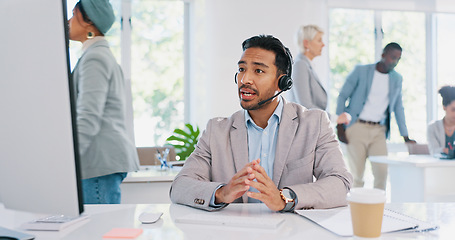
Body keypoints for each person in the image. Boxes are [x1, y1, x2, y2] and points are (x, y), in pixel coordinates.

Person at [170, 35, 352, 212]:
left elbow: (340, 183)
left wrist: (285, 198)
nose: (245, 79)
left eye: (258, 71)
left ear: (282, 82)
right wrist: (221, 193)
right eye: (241, 69)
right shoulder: (216, 131)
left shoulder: (314, 124)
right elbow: (180, 186)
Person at [68, 0, 139, 204]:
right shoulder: (97, 55)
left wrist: (68, 162)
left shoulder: (95, 58)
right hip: (100, 164)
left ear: (89, 20)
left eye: (73, 15)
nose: (68, 21)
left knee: (97, 233)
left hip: (98, 163)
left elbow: (88, 117)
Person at [336, 42, 415, 190]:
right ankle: (354, 212)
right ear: (383, 55)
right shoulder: (361, 71)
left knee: (382, 173)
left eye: (398, 59)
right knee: (357, 176)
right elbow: (342, 96)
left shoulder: (396, 79)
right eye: (393, 57)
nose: (395, 62)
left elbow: (398, 107)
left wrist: (405, 135)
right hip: (356, 127)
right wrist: (339, 125)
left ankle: (379, 212)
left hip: (379, 131)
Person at [287, 25, 327, 110]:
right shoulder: (300, 65)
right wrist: (334, 118)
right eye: (319, 40)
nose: (323, 45)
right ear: (306, 43)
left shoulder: (307, 64)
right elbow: (305, 106)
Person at [427, 86, 455, 156]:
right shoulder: (433, 127)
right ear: (444, 107)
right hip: (439, 166)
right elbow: (434, 151)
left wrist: (447, 151)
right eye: (453, 110)